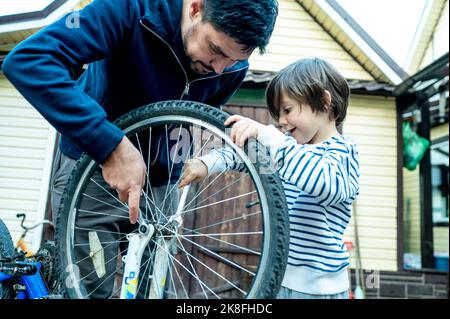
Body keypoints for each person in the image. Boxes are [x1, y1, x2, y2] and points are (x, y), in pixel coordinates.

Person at [1, 0, 278, 298]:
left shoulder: (228, 65)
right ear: (196, 8)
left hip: (160, 187)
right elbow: (30, 60)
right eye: (216, 50)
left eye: (236, 60)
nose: (220, 68)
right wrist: (111, 144)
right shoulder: (128, 9)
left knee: (153, 292)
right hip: (93, 173)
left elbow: (197, 113)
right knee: (89, 290)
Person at [179, 57, 360, 299]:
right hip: (275, 276)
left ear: (325, 102)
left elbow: (322, 184)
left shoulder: (342, 151)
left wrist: (269, 136)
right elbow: (243, 157)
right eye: (278, 114)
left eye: (287, 110)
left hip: (318, 289)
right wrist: (207, 163)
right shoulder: (286, 149)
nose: (282, 122)